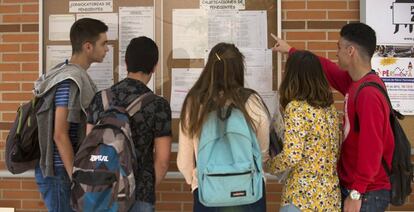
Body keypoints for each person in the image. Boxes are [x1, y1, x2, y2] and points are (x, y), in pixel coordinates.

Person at [272, 23, 394, 212]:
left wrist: (356, 192)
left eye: (339, 47)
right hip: (351, 188)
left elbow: (373, 147)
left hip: (367, 192)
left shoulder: (368, 94)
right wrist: (291, 51)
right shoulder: (354, 83)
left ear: (351, 50)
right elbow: (323, 68)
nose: (336, 53)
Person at [177, 43, 269, 212]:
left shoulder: (194, 103)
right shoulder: (251, 101)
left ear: (210, 68)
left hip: (208, 192)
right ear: (239, 68)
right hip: (248, 190)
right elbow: (262, 152)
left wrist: (196, 180)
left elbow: (184, 162)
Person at [86, 36, 172, 212]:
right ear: (155, 67)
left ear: (126, 64)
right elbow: (162, 161)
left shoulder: (100, 99)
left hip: (102, 191)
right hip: (139, 194)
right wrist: (142, 189)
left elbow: (89, 145)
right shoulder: (158, 105)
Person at [33, 18, 109, 212]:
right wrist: (76, 177)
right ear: (88, 47)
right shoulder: (70, 81)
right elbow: (59, 134)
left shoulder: (69, 74)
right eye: (104, 43)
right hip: (60, 174)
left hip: (63, 172)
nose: (107, 49)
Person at [266, 50, 341, 211]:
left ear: (292, 75)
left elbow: (291, 156)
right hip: (330, 198)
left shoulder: (296, 108)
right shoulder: (331, 110)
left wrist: (268, 165)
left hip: (302, 197)